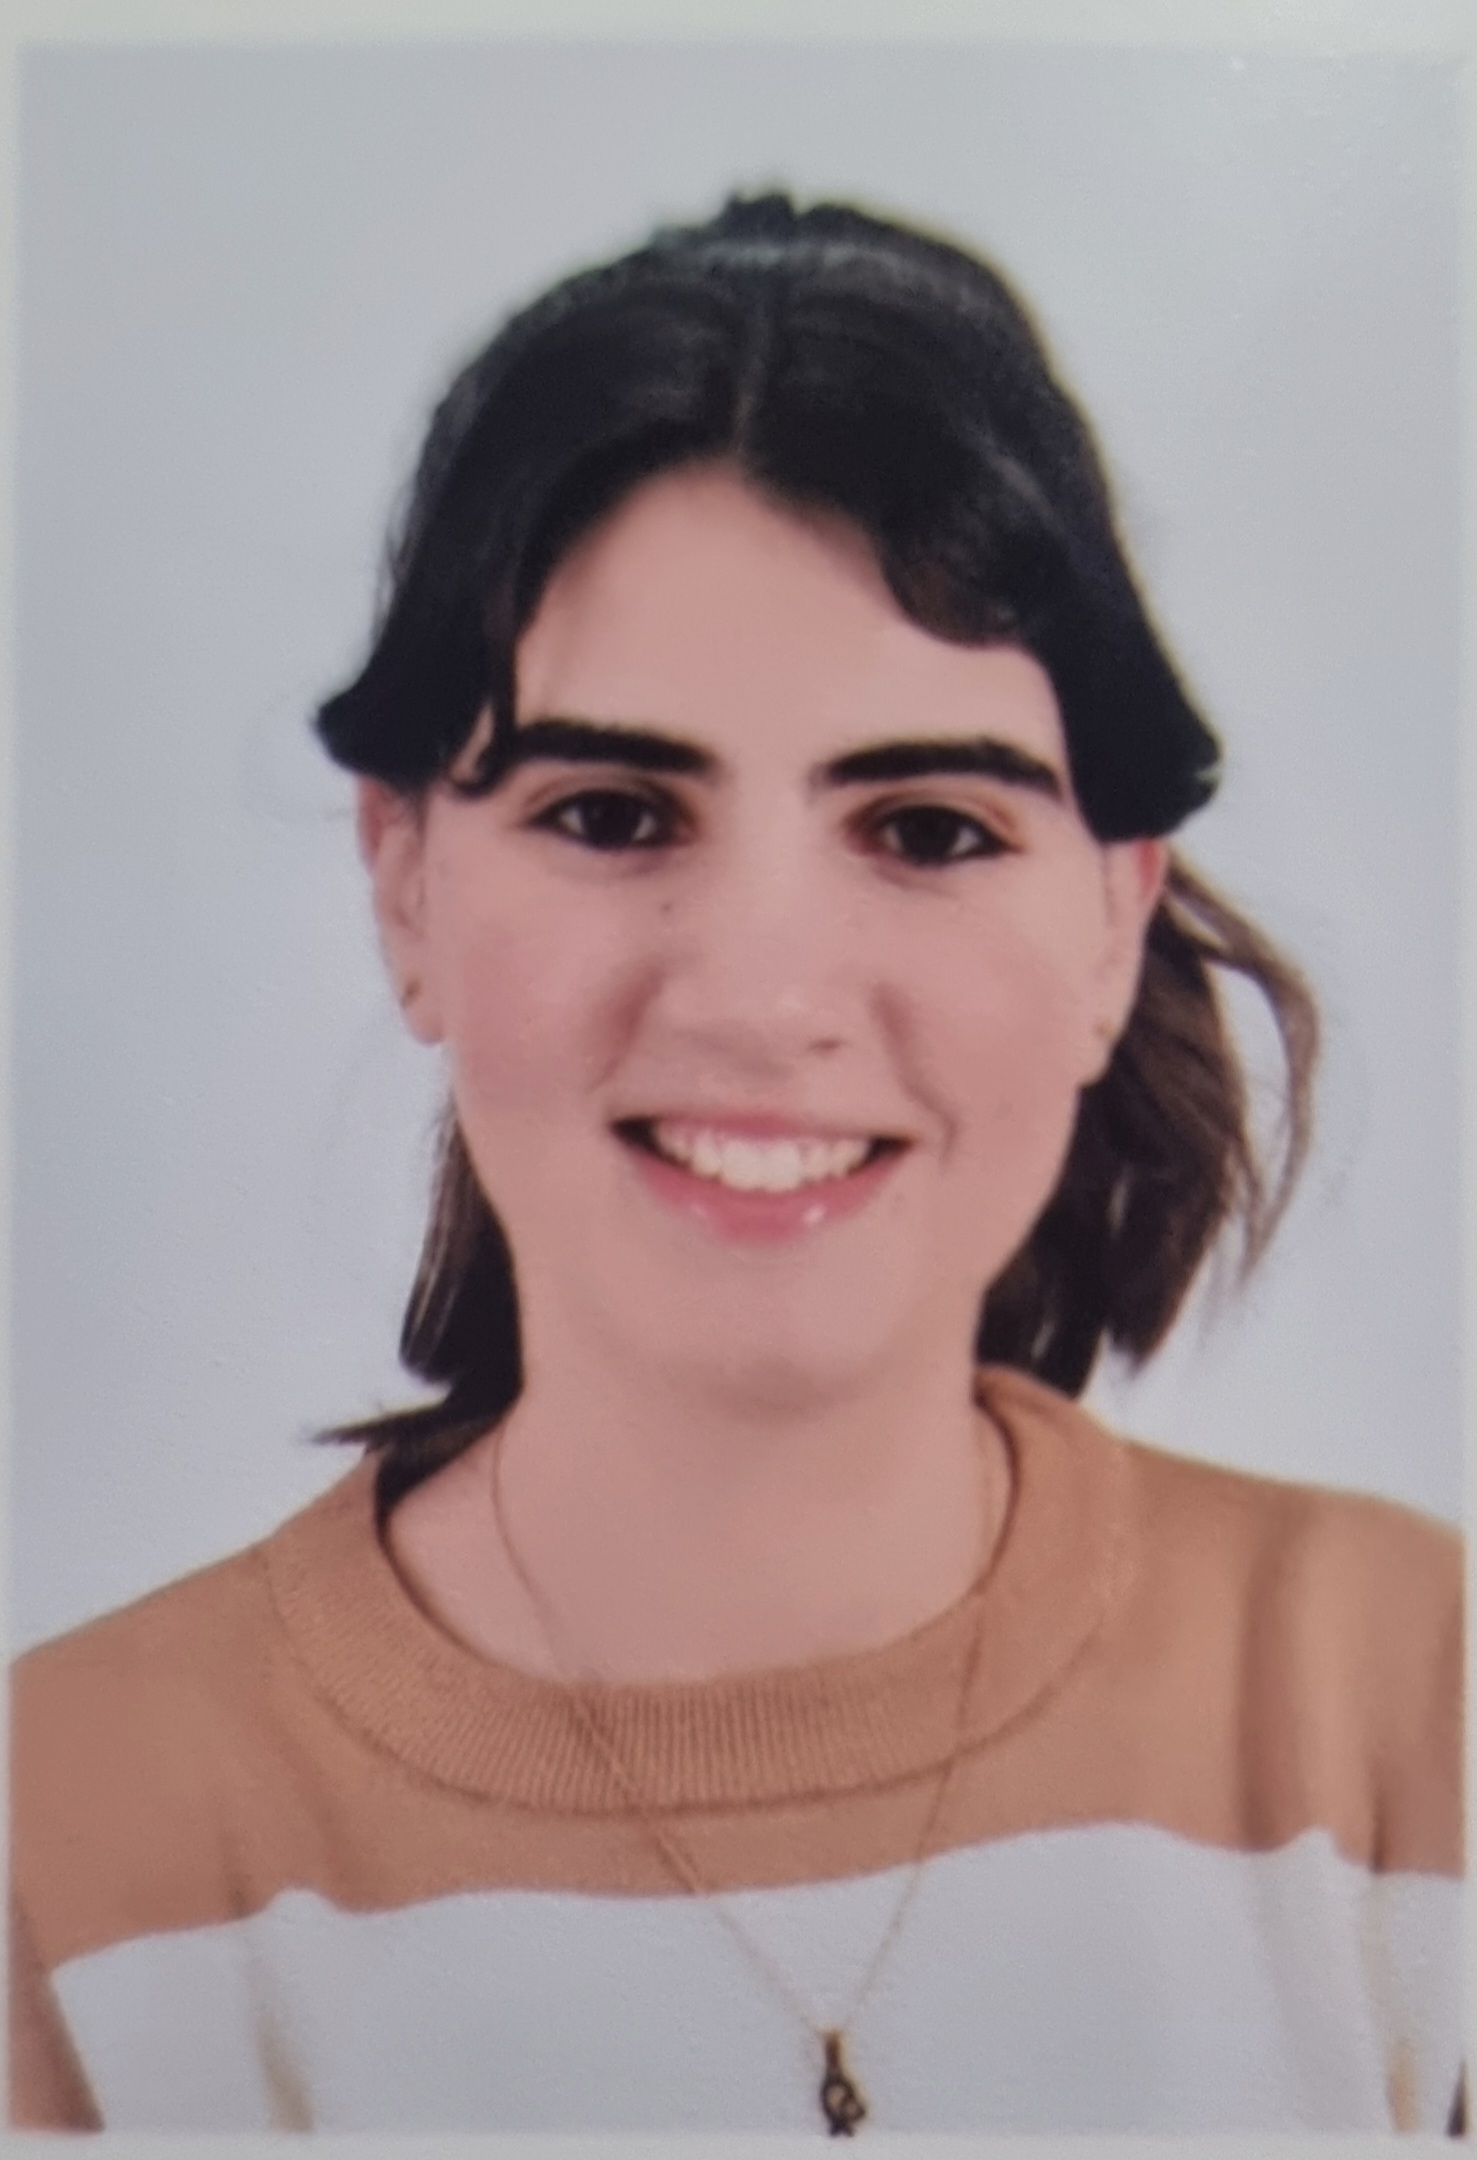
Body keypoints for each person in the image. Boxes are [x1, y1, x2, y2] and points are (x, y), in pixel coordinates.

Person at [10, 193, 1462, 2136]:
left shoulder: (1418, 1718)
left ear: (1113, 921)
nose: (764, 998)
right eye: (613, 813)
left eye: (928, 829)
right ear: (403, 879)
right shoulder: (64, 1850)